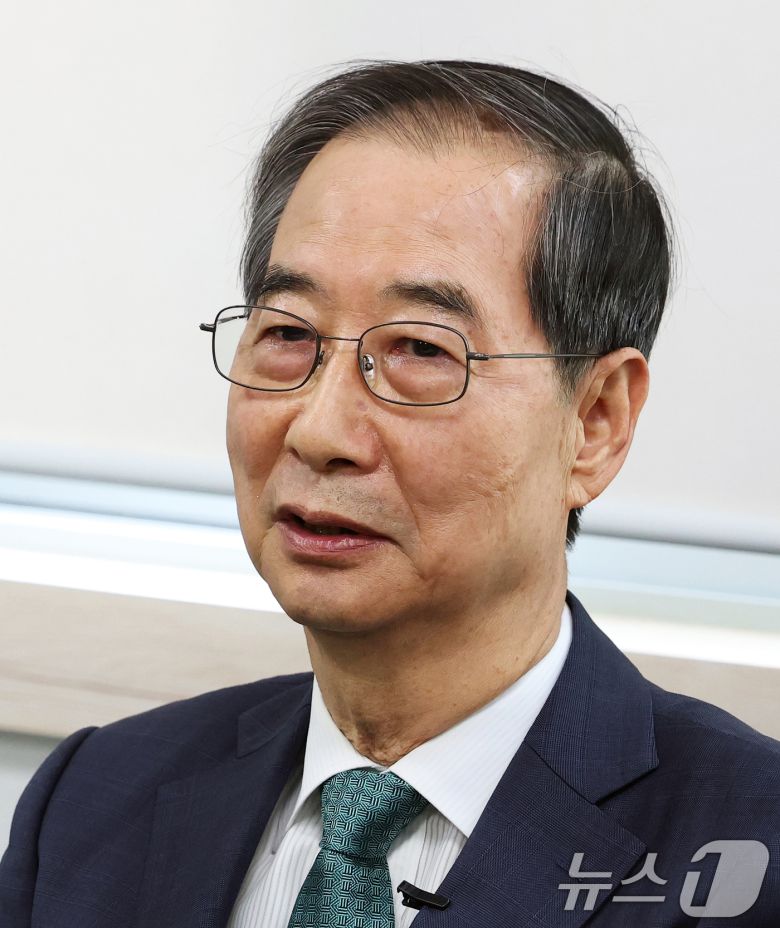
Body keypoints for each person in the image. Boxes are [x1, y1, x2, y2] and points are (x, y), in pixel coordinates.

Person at [1, 59, 778, 928]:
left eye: (419, 350)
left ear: (595, 422)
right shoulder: (93, 800)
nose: (319, 430)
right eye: (288, 333)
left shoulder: (751, 851)